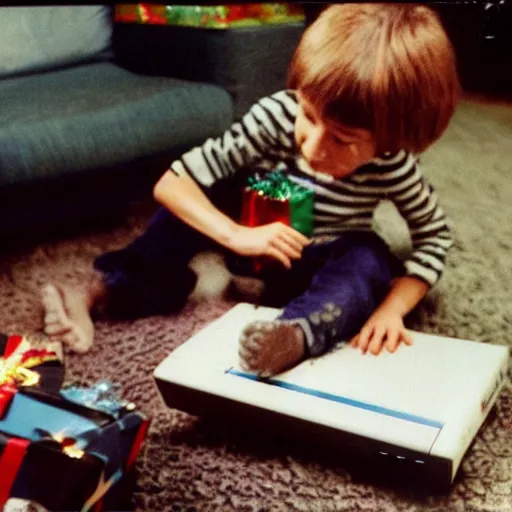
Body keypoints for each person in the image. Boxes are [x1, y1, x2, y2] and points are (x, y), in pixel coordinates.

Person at [41, 3, 460, 377]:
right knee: (196, 202)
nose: (312, 146)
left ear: (389, 139)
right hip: (250, 239)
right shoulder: (276, 115)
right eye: (309, 116)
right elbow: (173, 182)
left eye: (342, 140)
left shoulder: (393, 165)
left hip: (313, 263)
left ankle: (292, 335)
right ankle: (98, 292)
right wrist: (235, 234)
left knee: (369, 258)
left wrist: (392, 309)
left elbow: (435, 236)